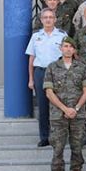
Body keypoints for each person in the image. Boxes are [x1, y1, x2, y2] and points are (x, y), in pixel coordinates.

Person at [43, 37, 86, 171]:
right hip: (58, 115)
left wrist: (75, 108)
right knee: (58, 148)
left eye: (71, 46)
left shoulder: (81, 67)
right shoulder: (52, 67)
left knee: (77, 148)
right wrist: (65, 108)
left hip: (77, 115)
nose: (68, 49)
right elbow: (49, 93)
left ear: (74, 49)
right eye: (65, 46)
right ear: (61, 48)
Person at [25, 8, 67, 147]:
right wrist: (31, 79)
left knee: (59, 105)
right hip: (40, 73)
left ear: (55, 19)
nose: (48, 20)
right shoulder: (36, 36)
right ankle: (44, 137)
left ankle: (59, 136)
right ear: (41, 20)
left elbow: (67, 56)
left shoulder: (62, 36)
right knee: (42, 107)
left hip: (58, 73)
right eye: (45, 17)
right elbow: (32, 58)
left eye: (51, 17)